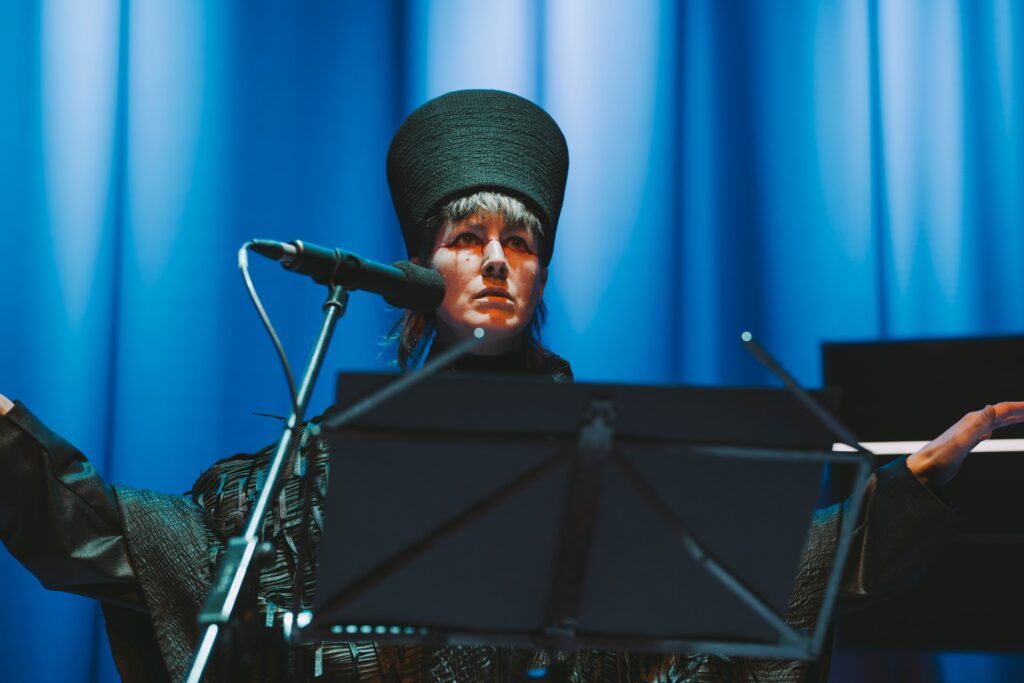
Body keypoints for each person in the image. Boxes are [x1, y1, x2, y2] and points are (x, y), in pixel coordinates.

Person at [1, 89, 1022, 682]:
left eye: (519, 241)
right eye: (465, 238)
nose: (494, 260)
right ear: (419, 265)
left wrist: (907, 488)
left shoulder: (612, 457)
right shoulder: (316, 467)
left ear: (539, 273)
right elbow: (132, 550)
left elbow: (759, 584)